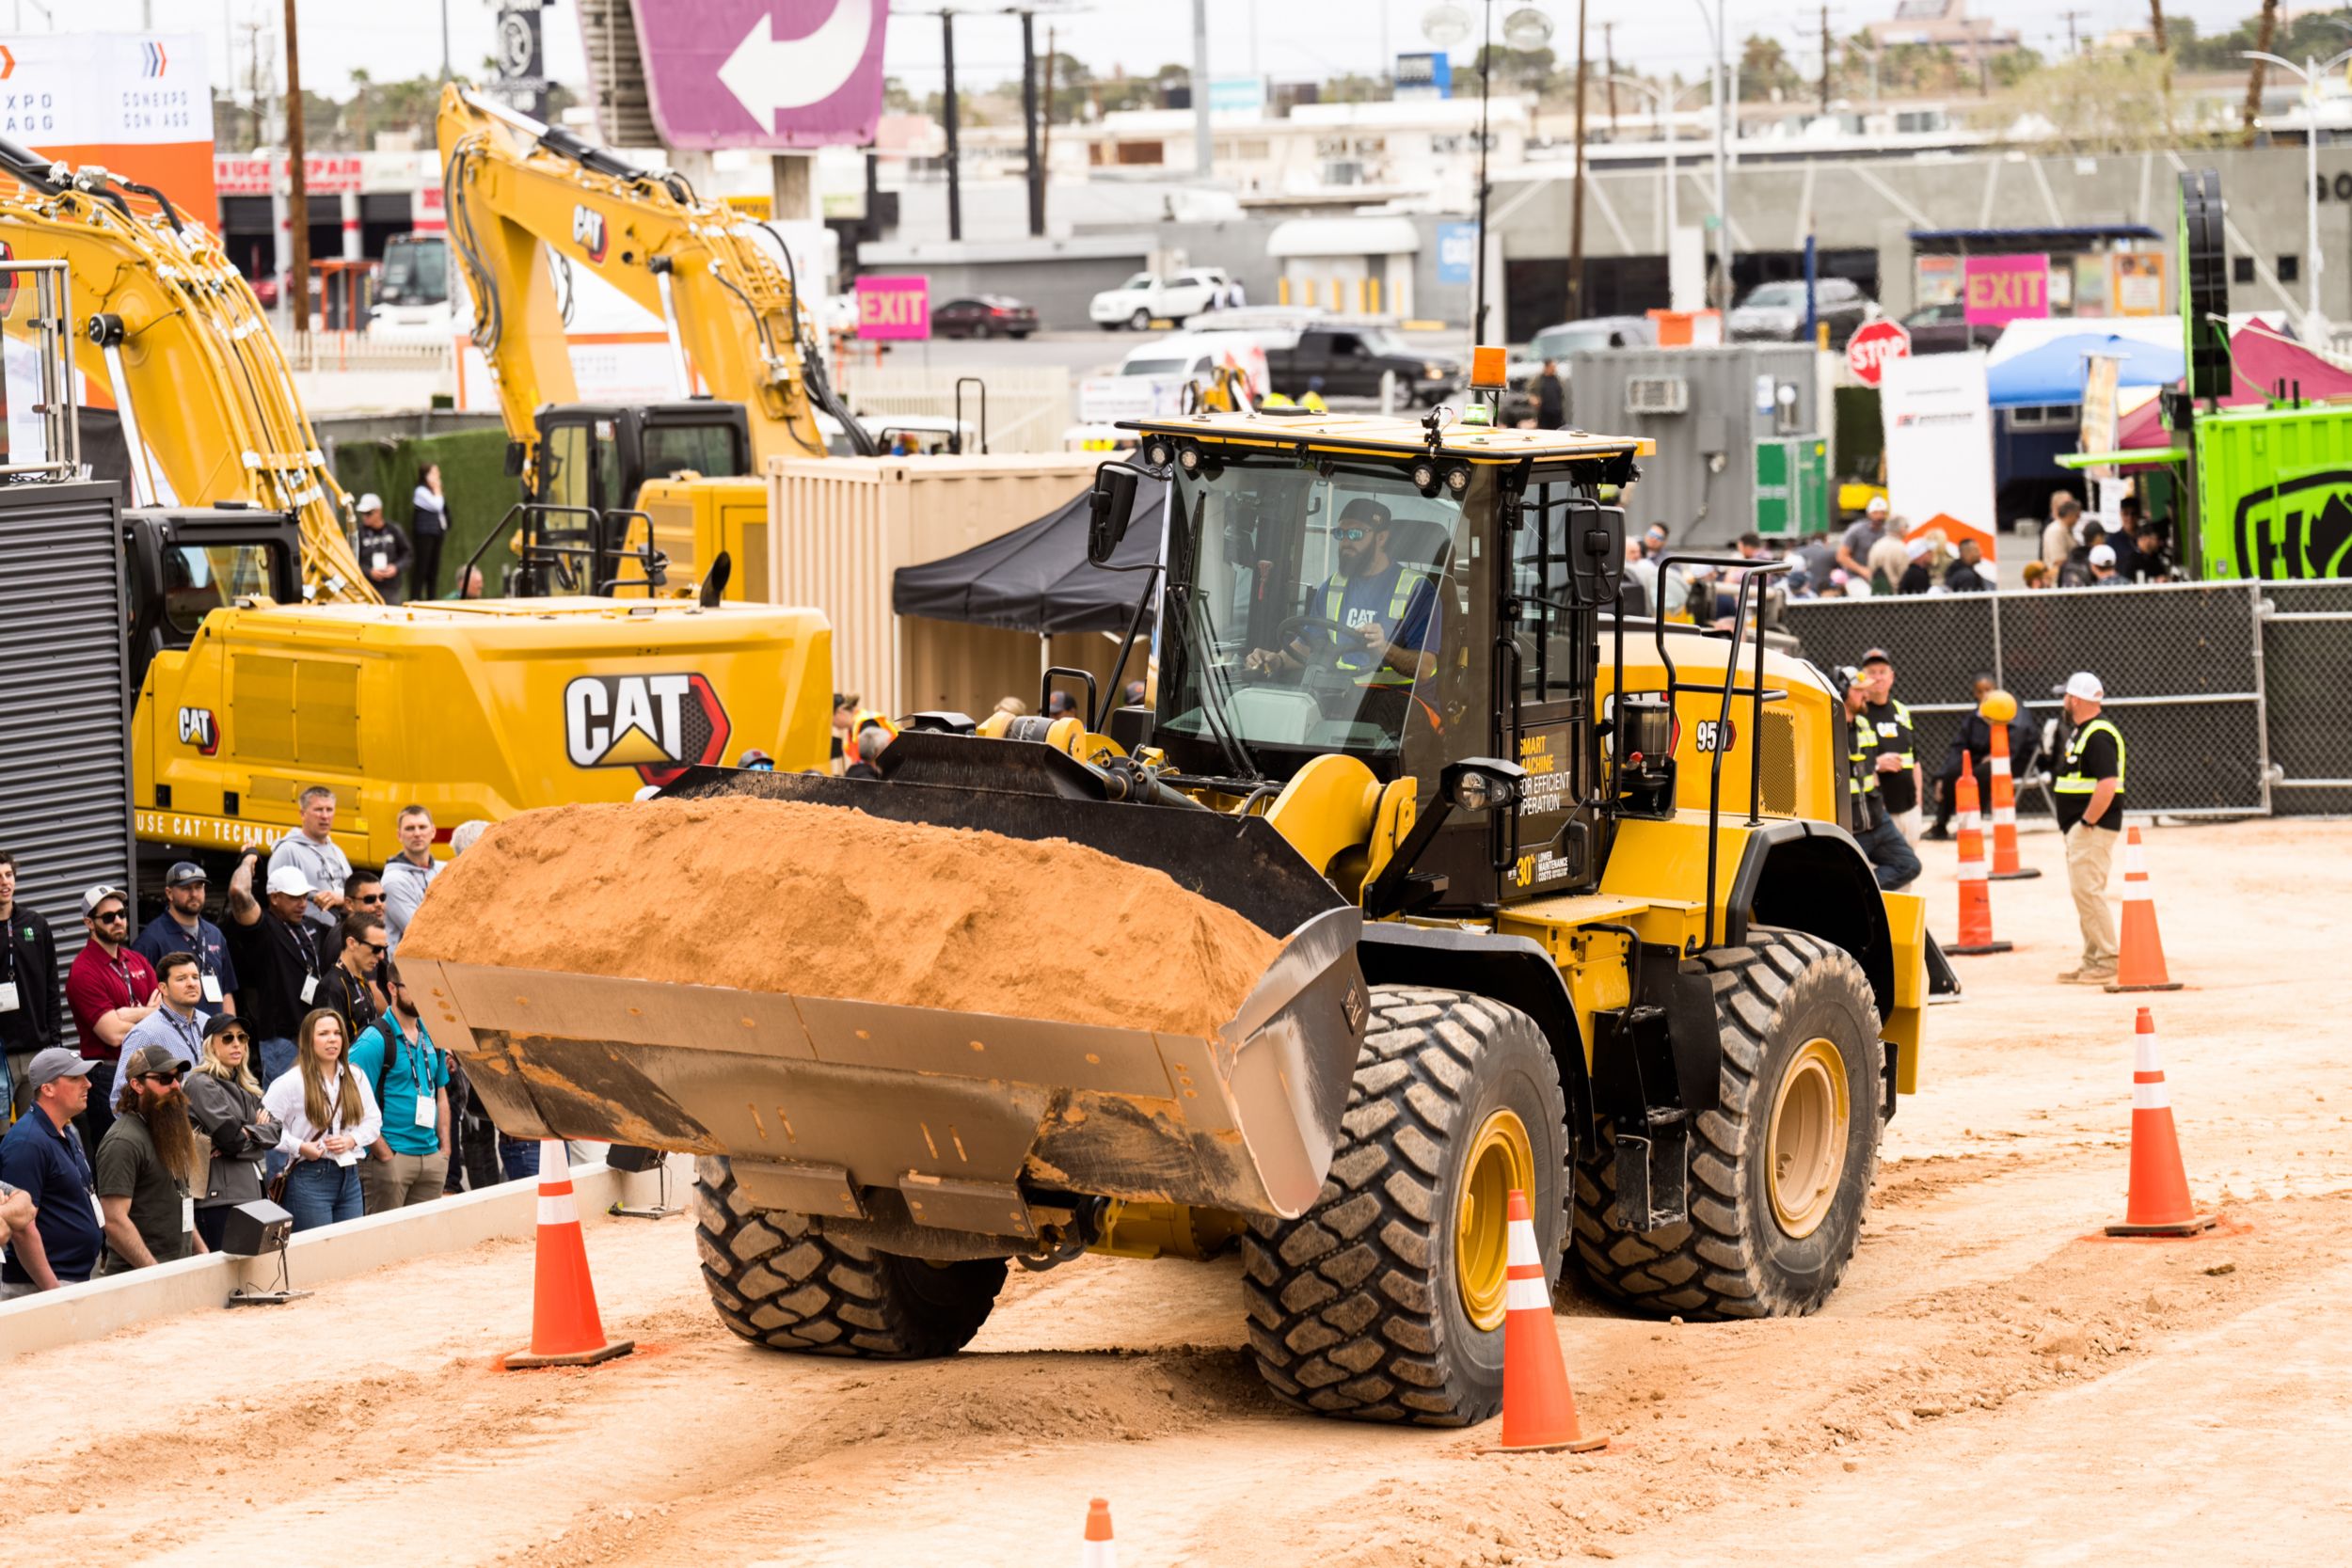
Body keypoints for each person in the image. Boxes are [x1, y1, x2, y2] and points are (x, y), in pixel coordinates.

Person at [1247, 496, 1438, 689]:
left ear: (1381, 538)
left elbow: (1424, 669)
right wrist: (1276, 659)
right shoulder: (1332, 588)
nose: (1345, 542)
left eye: (1355, 534)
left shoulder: (1417, 590)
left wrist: (1384, 648)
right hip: (1342, 695)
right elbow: (1307, 646)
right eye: (1340, 534)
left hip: (1402, 700)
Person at [263, 1007, 381, 1231]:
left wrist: (352, 1140)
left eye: (337, 1033)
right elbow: (264, 1131)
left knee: (349, 1249)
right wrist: (300, 1146)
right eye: (323, 1033)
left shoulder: (355, 1075)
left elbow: (373, 1121)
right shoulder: (290, 1082)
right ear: (309, 1039)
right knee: (316, 1253)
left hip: (350, 1175)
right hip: (309, 1176)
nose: (332, 1039)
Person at [93, 1042, 208, 1273]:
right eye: (164, 1079)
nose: (176, 1085)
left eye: (178, 1076)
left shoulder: (166, 1129)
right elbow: (114, 1220)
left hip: (177, 1272)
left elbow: (180, 1199)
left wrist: (203, 1254)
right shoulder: (123, 1141)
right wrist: (155, 1274)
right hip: (139, 1281)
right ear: (137, 1084)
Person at [224, 847, 331, 1086]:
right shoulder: (264, 926)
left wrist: (340, 898)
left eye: (305, 896)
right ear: (274, 898)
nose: (302, 903)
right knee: (282, 1111)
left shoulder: (311, 925)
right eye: (294, 897)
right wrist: (249, 858)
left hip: (314, 1033)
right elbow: (238, 892)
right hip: (281, 1039)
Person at [64, 885, 161, 1148]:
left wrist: (130, 1014)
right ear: (89, 923)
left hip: (149, 1068)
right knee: (119, 1149)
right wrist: (149, 1015)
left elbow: (163, 1017)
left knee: (153, 1148)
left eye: (121, 913)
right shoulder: (83, 971)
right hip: (109, 1073)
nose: (118, 920)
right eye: (108, 917)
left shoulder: (138, 961)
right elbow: (112, 1034)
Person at [0, 1049, 103, 1296]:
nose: (87, 1084)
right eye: (75, 1078)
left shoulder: (67, 1131)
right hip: (43, 1286)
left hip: (70, 1279)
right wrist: (53, 1292)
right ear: (48, 1089)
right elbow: (22, 1226)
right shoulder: (27, 1143)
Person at [350, 965, 451, 1213]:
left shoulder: (432, 1033)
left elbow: (441, 1093)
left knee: (424, 1247)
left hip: (431, 1156)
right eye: (413, 988)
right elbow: (350, 1097)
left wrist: (445, 1150)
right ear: (392, 988)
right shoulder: (374, 1039)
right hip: (391, 1156)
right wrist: (384, 1153)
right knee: (385, 1245)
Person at [2053, 671, 2126, 985]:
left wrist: (2086, 822)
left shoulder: (2098, 734)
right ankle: (2092, 959)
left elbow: (2107, 784)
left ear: (2077, 699)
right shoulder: (2082, 732)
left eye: (2066, 696)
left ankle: (2108, 959)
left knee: (2089, 892)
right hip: (2081, 829)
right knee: (2083, 893)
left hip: (2091, 829)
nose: (2064, 702)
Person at [183, 1013, 278, 1251]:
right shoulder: (200, 1083)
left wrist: (246, 1133)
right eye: (227, 1038)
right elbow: (231, 1140)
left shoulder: (246, 1086)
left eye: (242, 1037)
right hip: (219, 1199)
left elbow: (276, 1131)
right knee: (224, 1280)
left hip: (251, 1190)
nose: (237, 1043)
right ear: (210, 1045)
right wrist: (255, 1133)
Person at [1838, 667, 1921, 892]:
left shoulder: (1863, 725)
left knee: (1909, 865)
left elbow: (1870, 772)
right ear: (1842, 693)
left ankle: (1856, 891)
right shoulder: (1828, 729)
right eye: (1858, 691)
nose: (1866, 695)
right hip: (1851, 830)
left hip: (1877, 821)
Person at [1926, 674, 2036, 841]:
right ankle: (1940, 825)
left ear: (1996, 690)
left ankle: (1972, 824)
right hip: (1980, 763)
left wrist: (2000, 753)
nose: (1984, 694)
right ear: (1974, 694)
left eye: (1988, 690)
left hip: (2012, 762)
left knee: (1980, 775)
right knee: (1953, 774)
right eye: (1979, 691)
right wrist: (1942, 775)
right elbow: (1959, 747)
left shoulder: (2011, 708)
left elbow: (2021, 738)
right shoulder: (1974, 718)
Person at [0, 848, 63, 1117]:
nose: (4, 882)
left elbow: (51, 985)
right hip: (1, 1055)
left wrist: (55, 1043)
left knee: (36, 1132)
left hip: (37, 1051)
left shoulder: (36, 925)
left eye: (8, 874)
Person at [131, 862, 239, 1016]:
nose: (194, 893)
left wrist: (230, 1031)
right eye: (186, 888)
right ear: (169, 893)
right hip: (176, 1037)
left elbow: (226, 991)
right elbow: (141, 999)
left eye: (199, 887)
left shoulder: (215, 935)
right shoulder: (151, 940)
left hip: (214, 1036)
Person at [1860, 650, 1923, 845]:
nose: (1878, 677)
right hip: (1879, 813)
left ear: (1891, 677)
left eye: (1882, 671)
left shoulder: (1901, 711)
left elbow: (1915, 761)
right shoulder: (1859, 714)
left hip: (1910, 809)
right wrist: (1876, 764)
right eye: (1872, 672)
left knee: (1908, 866)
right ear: (1863, 678)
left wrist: (1919, 803)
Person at [119, 951, 211, 1083]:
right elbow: (120, 1094)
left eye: (195, 977)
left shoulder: (208, 1022)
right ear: (163, 988)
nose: (191, 983)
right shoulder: (144, 1034)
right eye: (181, 978)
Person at [270, 786, 353, 932]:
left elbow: (354, 894)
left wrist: (341, 900)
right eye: (318, 810)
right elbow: (277, 902)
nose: (325, 816)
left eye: (329, 810)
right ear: (303, 814)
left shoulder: (337, 851)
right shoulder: (288, 851)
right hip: (308, 937)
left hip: (339, 934)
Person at [319, 913, 386, 1045]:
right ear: (352, 943)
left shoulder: (360, 979)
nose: (381, 956)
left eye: (384, 948)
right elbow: (329, 1046)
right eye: (376, 948)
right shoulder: (331, 987)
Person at [382, 804, 438, 958]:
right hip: (406, 969)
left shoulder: (444, 869)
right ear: (399, 835)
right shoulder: (393, 881)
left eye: (422, 827)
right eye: (410, 828)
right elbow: (418, 931)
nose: (417, 833)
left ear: (433, 831)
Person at [355, 493, 413, 604]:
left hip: (391, 589)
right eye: (362, 513)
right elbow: (351, 560)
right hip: (367, 588)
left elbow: (408, 555)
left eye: (368, 513)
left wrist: (396, 567)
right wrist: (369, 572)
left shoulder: (394, 530)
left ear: (378, 511)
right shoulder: (358, 533)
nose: (365, 517)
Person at [410, 462, 449, 600]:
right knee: (422, 567)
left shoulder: (434, 492)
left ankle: (432, 598)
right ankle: (415, 597)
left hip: (437, 533)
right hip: (424, 534)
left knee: (434, 568)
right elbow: (437, 505)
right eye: (434, 473)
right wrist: (438, 489)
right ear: (426, 475)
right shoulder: (420, 491)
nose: (438, 476)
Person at [1836, 496, 1889, 578]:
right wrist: (1861, 570)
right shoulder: (1856, 530)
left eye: (1882, 513)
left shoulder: (1887, 532)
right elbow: (1842, 556)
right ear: (1869, 514)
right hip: (1856, 576)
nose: (1879, 516)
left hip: (1879, 576)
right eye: (1875, 513)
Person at [1866, 515, 1911, 596]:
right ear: (1902, 529)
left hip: (1877, 594)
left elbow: (1870, 569)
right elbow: (1904, 575)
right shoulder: (1900, 548)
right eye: (1907, 527)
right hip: (1895, 596)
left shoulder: (1876, 545)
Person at [2041, 492, 2080, 573]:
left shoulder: (2067, 529)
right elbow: (2059, 561)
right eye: (2077, 516)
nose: (2078, 519)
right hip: (2059, 580)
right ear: (2071, 514)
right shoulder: (2056, 531)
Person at [1531, 357, 1565, 429]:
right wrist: (1533, 398)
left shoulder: (1558, 379)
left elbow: (1562, 394)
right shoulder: (1538, 380)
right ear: (1546, 367)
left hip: (1557, 412)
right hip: (1544, 412)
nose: (1554, 369)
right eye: (1552, 367)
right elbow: (1531, 391)